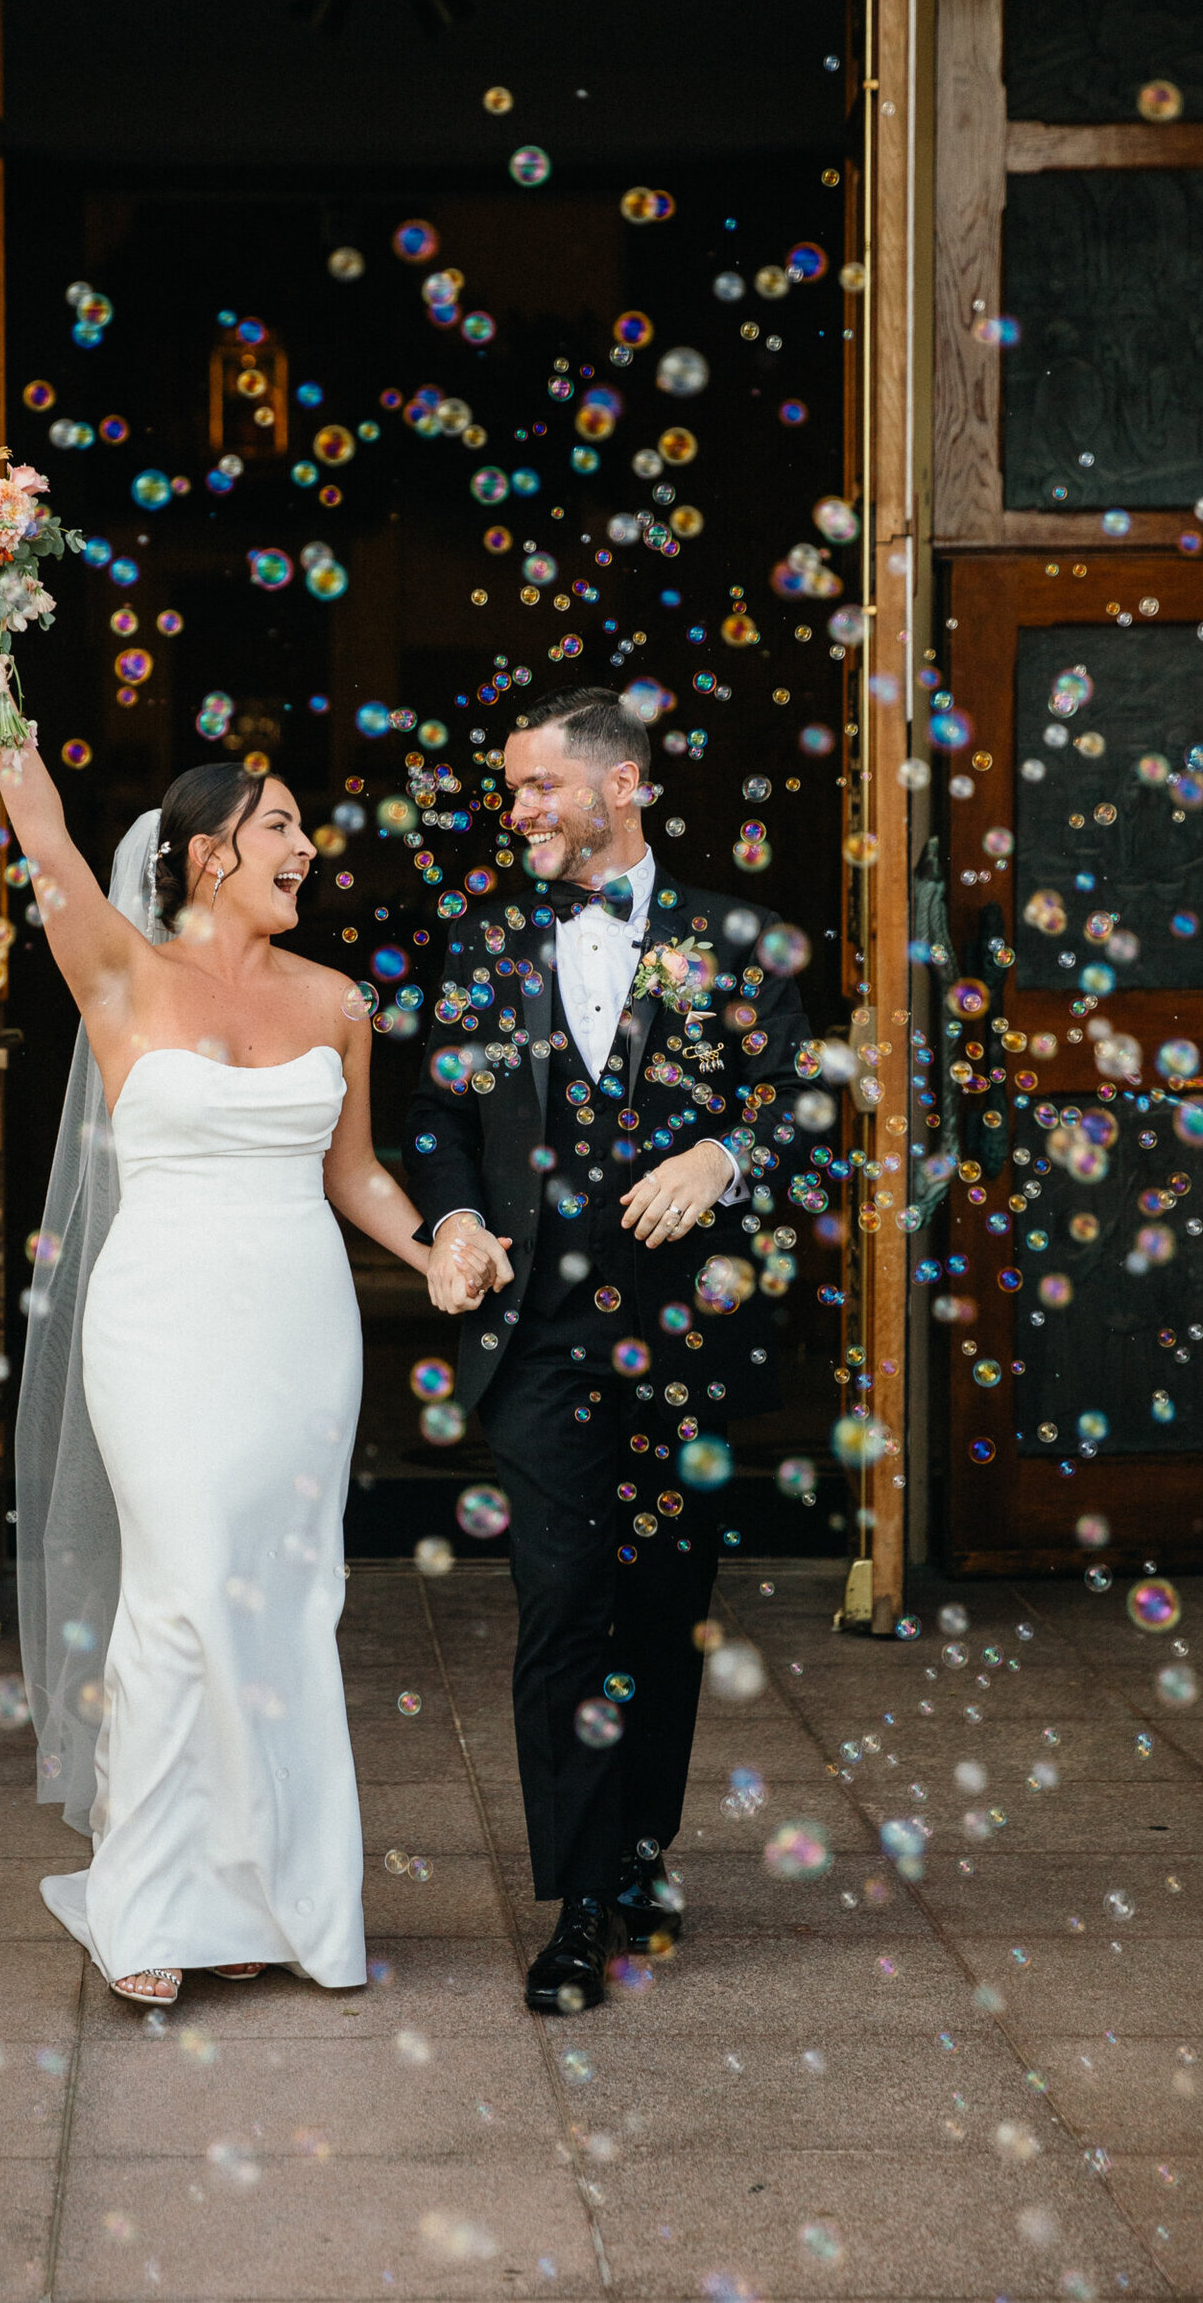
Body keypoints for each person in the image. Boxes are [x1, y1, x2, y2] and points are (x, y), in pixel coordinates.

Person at [0, 611, 493, 2009]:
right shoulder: (119, 973)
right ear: (207, 852)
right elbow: (42, 828)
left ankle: (277, 1902)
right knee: (181, 1590)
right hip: (163, 1324)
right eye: (286, 827)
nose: (311, 849)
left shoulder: (337, 1002)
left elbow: (354, 1173)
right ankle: (154, 1906)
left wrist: (433, 1247)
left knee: (286, 1602)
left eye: (310, 831)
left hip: (299, 1333)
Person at [405, 685, 814, 2013]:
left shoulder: (733, 938)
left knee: (662, 1603)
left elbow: (796, 1098)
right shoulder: (480, 939)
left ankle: (642, 1857)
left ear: (624, 784)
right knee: (564, 1604)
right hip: (539, 1340)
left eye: (538, 785)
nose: (515, 806)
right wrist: (457, 1219)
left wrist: (724, 1152)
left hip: (686, 1335)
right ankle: (582, 1904)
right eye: (510, 784)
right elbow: (441, 1118)